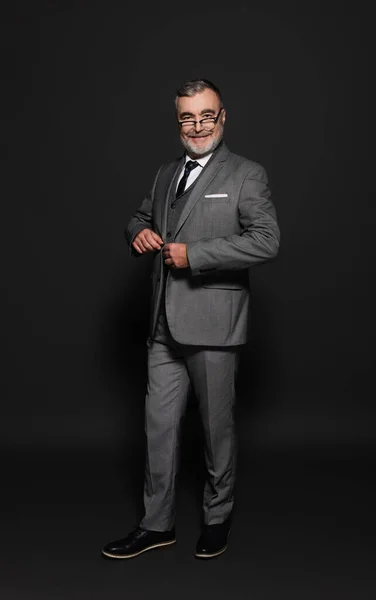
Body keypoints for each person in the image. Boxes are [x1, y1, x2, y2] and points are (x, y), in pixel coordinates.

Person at [102, 79, 280, 560]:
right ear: (178, 121)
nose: (197, 126)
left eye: (206, 115)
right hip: (162, 325)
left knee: (215, 428)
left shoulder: (246, 174)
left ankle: (217, 517)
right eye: (188, 117)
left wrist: (196, 254)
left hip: (213, 324)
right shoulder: (165, 174)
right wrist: (137, 232)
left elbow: (266, 240)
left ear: (222, 117)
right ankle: (156, 524)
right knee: (157, 428)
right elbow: (140, 217)